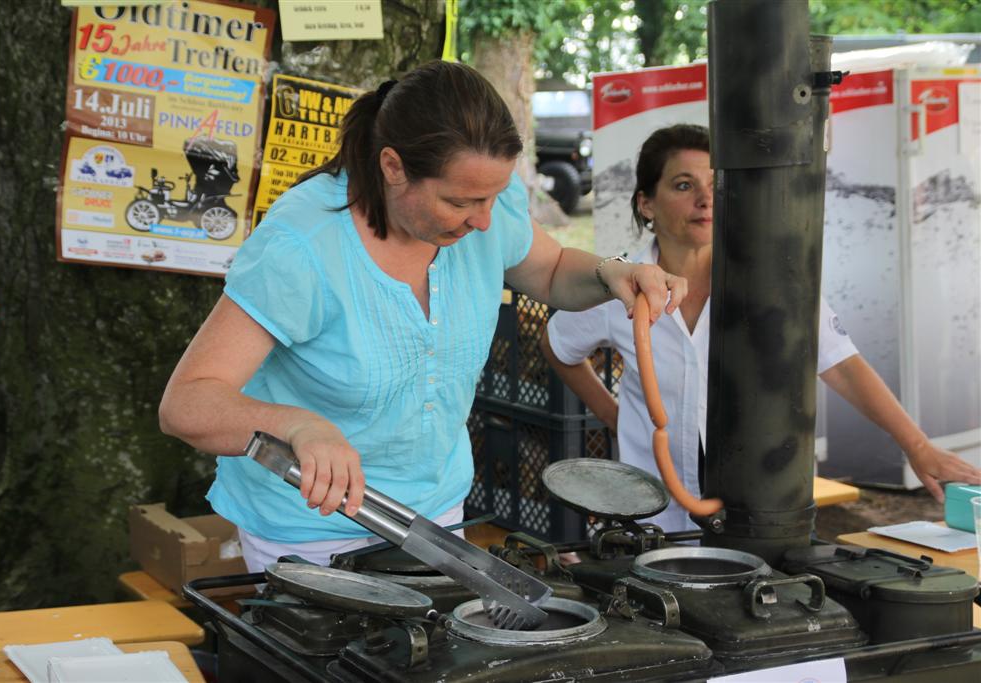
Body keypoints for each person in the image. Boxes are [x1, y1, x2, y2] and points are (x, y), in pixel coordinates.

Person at [159, 61, 688, 571]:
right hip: (310, 532)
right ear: (393, 167)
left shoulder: (486, 210)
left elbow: (549, 270)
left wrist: (609, 273)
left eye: (493, 197)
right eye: (460, 202)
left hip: (434, 515)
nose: (483, 220)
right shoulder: (302, 245)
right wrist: (297, 424)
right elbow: (188, 404)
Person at [542, 123, 981, 534]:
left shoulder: (773, 282)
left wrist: (918, 446)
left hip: (761, 514)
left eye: (716, 185)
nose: (705, 199)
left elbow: (841, 365)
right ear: (646, 202)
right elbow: (558, 345)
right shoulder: (621, 284)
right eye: (683, 185)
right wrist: (610, 412)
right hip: (655, 517)